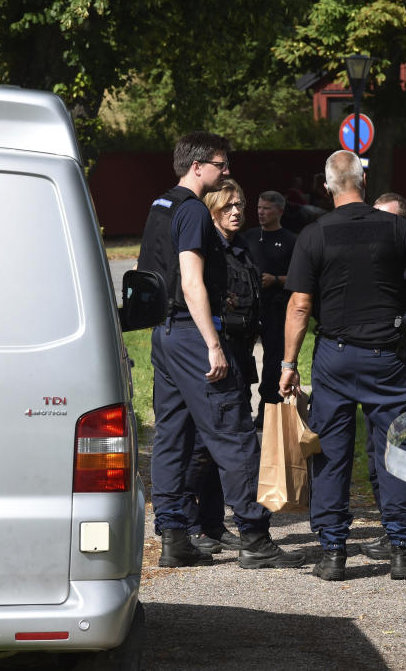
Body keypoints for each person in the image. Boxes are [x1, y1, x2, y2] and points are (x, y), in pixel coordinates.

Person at [137, 131, 304, 570]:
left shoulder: (159, 206)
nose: (226, 171)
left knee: (172, 435)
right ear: (197, 167)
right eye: (220, 164)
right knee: (233, 432)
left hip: (165, 334)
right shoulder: (192, 211)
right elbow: (191, 279)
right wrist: (214, 344)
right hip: (194, 335)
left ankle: (174, 537)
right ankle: (254, 537)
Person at [279, 150, 406, 581]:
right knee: (394, 450)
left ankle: (334, 553)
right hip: (387, 357)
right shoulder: (396, 228)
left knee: (332, 454)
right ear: (363, 183)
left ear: (328, 187)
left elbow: (299, 306)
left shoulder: (313, 235)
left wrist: (288, 363)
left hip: (334, 357)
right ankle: (401, 552)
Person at [357, 192, 406, 561]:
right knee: (377, 458)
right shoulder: (378, 262)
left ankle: (404, 534)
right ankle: (395, 528)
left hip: (400, 381)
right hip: (378, 379)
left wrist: (386, 374)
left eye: (385, 220)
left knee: (399, 457)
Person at [184, 179, 259, 555]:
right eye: (228, 205)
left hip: (238, 356)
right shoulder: (208, 250)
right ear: (212, 209)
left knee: (218, 450)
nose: (236, 211)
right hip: (210, 357)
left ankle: (213, 523)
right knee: (201, 446)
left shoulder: (239, 250)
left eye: (240, 205)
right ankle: (188, 524)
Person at [244, 191, 297, 428]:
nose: (260, 212)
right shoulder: (248, 237)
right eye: (258, 208)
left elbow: (299, 278)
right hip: (249, 307)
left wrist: (275, 279)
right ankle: (242, 406)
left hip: (277, 308)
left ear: (279, 211)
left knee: (274, 359)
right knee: (242, 356)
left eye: (266, 208)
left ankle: (269, 410)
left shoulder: (291, 241)